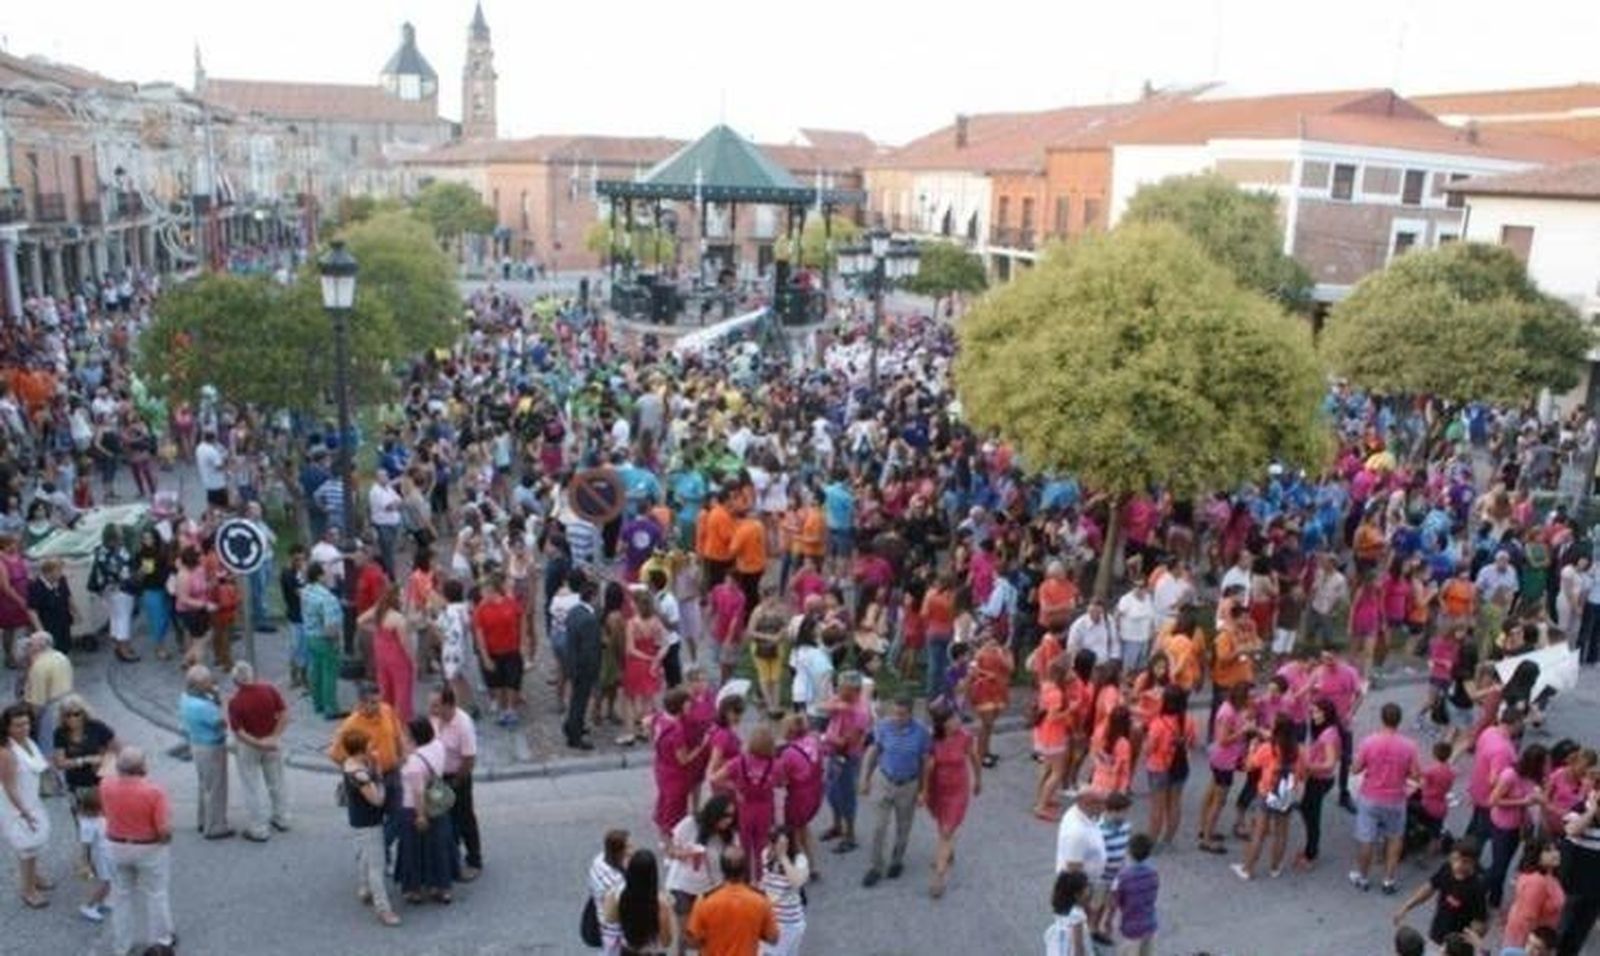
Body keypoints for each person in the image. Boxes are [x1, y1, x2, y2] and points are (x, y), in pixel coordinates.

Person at [101, 747, 176, 952]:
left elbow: (106, 773)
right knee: (156, 893)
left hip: (116, 845)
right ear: (143, 767)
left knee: (121, 896)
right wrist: (166, 840)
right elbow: (163, 829)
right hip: (148, 847)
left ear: (119, 767)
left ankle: (122, 945)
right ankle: (160, 941)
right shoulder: (154, 791)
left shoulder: (106, 786)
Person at [859, 693, 932, 888]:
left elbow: (926, 762)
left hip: (908, 784)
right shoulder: (883, 726)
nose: (897, 718)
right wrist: (865, 778)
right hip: (885, 780)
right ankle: (876, 867)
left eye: (902, 715)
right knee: (878, 827)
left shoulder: (921, 732)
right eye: (895, 713)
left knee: (903, 826)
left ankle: (897, 860)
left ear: (911, 714)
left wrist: (924, 790)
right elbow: (874, 751)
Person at [1350, 702, 1420, 895]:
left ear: (1382, 718)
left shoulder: (1369, 742)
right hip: (1396, 798)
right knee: (1395, 839)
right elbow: (1415, 775)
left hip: (1370, 796)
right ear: (1399, 720)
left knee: (1366, 839)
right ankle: (1388, 879)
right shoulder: (1409, 746)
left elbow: (1356, 769)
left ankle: (1362, 877)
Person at [1232, 714, 1306, 881]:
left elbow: (1249, 765)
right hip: (1286, 794)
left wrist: (1251, 749)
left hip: (1267, 792)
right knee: (1282, 833)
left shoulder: (1268, 748)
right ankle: (1275, 867)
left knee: (1259, 832)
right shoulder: (1298, 750)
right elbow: (1302, 775)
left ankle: (1248, 869)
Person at [338, 728, 400, 927]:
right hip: (369, 822)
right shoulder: (360, 775)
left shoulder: (349, 764)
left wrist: (371, 763)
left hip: (357, 819)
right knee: (377, 865)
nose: (372, 747)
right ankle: (384, 909)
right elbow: (378, 800)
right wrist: (379, 775)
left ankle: (364, 888)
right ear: (360, 750)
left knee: (365, 853)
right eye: (369, 745)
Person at [921, 699, 980, 898]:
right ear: (943, 723)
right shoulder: (933, 740)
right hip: (939, 789)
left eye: (957, 717)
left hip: (958, 790)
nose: (958, 721)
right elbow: (928, 769)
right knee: (942, 824)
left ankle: (939, 877)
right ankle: (947, 852)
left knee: (946, 830)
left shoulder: (965, 737)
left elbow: (974, 758)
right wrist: (925, 791)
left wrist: (978, 780)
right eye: (953, 718)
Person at [664, 795, 737, 956]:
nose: (729, 820)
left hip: (711, 889)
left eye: (732, 815)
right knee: (685, 935)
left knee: (706, 935)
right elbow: (668, 848)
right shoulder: (690, 824)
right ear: (714, 813)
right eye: (725, 815)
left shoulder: (728, 834)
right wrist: (683, 854)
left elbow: (735, 859)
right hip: (683, 886)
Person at [396, 716, 457, 904]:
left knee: (412, 850)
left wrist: (420, 816)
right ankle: (442, 886)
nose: (404, 736)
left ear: (415, 736)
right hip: (436, 803)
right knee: (438, 846)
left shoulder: (414, 762)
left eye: (407, 734)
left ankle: (413, 889)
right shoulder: (438, 746)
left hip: (414, 808)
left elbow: (417, 791)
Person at [226, 661, 290, 842]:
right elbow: (284, 713)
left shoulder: (235, 702)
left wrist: (257, 743)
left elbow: (238, 732)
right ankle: (282, 818)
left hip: (250, 747)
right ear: (252, 675)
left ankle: (258, 828)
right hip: (272, 742)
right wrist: (274, 737)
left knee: (252, 787)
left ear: (235, 682)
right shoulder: (269, 689)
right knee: (277, 782)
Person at [1392, 838, 1489, 949]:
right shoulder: (1447, 868)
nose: (1458, 865)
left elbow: (1480, 921)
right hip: (1437, 933)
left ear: (1474, 862)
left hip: (1456, 946)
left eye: (1465, 861)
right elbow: (1429, 887)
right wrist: (1407, 906)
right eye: (1455, 859)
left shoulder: (1477, 887)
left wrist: (1463, 943)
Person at [683, 845, 779, 956]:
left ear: (722, 869)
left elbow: (692, 941)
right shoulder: (761, 900)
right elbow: (773, 938)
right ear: (745, 869)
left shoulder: (705, 900)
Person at [1, 703, 52, 908]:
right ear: (6, 727)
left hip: (31, 800)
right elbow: (9, 787)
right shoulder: (6, 753)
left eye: (26, 723)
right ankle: (28, 890)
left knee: (35, 843)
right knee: (27, 847)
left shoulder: (28, 741)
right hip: (17, 805)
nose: (24, 729)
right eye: (17, 725)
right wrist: (24, 813)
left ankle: (35, 877)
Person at [430, 685, 482, 880]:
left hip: (457, 777)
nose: (431, 710)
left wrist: (457, 781)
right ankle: (451, 858)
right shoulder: (436, 719)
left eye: (436, 705)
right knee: (445, 819)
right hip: (439, 777)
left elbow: (469, 758)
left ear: (448, 705)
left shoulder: (463, 724)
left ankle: (474, 860)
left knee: (464, 817)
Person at [179, 664, 232, 839]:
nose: (211, 684)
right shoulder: (202, 706)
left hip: (196, 744)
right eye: (208, 682)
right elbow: (222, 722)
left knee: (205, 786)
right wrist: (222, 701)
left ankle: (203, 820)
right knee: (216, 788)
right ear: (198, 685)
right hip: (211, 747)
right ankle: (215, 827)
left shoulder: (185, 697)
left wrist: (212, 695)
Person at [473, 573, 526, 727]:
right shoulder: (480, 610)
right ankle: (504, 710)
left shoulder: (510, 603)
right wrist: (485, 658)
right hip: (493, 652)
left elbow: (520, 619)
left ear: (493, 590)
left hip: (511, 649)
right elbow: (479, 635)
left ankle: (511, 709)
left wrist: (523, 643)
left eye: (483, 591)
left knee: (513, 682)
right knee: (498, 684)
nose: (481, 594)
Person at [602, 848, 675, 956]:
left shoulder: (618, 894)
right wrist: (670, 912)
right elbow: (666, 942)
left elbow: (610, 919)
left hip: (627, 951)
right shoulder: (660, 903)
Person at [361, 584, 416, 724]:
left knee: (385, 689)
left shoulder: (378, 611)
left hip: (381, 656)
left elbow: (360, 620)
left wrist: (376, 631)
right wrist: (414, 661)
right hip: (398, 659)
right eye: (402, 595)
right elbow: (405, 644)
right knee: (402, 692)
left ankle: (385, 719)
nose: (404, 598)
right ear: (395, 598)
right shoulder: (398, 619)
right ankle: (401, 723)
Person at [299, 562, 344, 719]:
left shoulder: (306, 591)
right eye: (325, 573)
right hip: (324, 639)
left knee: (315, 670)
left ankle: (317, 703)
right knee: (329, 673)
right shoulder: (328, 598)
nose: (328, 575)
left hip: (310, 636)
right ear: (319, 576)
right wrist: (336, 642)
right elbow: (331, 627)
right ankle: (330, 708)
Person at [1505, 838, 1565, 951]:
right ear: (1536, 856)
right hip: (1529, 943)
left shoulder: (1549, 876)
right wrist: (1533, 949)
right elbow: (1528, 919)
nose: (1556, 853)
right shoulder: (1536, 882)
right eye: (1548, 850)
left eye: (1556, 849)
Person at [565, 577, 603, 750]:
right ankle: (575, 736)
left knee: (576, 699)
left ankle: (572, 725)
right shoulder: (590, 620)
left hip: (572, 662)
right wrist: (594, 671)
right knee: (580, 702)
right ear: (593, 596)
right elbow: (590, 651)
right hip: (583, 668)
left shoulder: (574, 611)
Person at [758, 829, 809, 956]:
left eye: (780, 844)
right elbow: (764, 882)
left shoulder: (799, 859)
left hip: (790, 923)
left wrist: (783, 857)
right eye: (772, 842)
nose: (773, 846)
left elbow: (796, 882)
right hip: (770, 920)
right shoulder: (766, 854)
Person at [1109, 832, 1159, 956]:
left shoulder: (1123, 876)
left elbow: (1116, 901)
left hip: (1131, 927)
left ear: (1129, 852)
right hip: (1150, 924)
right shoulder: (1153, 873)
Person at [1056, 787, 1108, 880]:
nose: (1104, 807)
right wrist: (1084, 892)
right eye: (1100, 803)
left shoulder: (1085, 814)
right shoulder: (1077, 833)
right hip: (1081, 887)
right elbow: (1073, 869)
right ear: (1086, 804)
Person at [1045, 868, 1091, 956]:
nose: (1089, 892)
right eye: (1086, 889)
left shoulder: (1062, 908)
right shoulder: (1077, 915)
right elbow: (1078, 946)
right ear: (1077, 895)